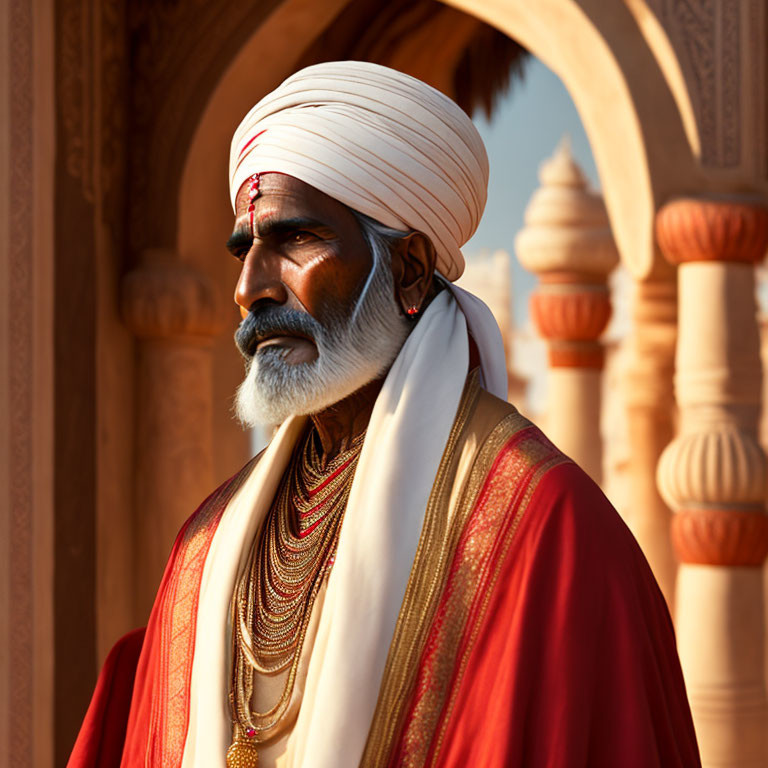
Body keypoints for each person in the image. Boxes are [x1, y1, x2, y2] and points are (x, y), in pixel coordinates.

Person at [68, 61, 701, 768]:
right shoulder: (204, 551)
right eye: (245, 249)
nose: (251, 289)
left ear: (406, 268)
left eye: (295, 240)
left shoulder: (545, 534)